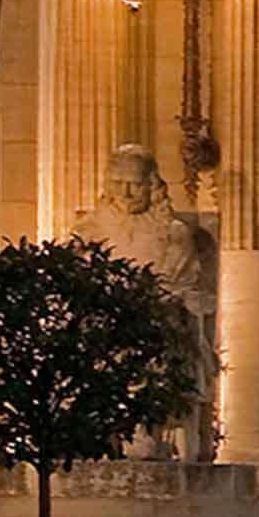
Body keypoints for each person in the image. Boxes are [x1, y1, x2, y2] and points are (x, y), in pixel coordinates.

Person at [75, 142, 219, 459]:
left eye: (135, 184)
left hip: (158, 323)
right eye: (118, 183)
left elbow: (179, 284)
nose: (125, 192)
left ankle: (143, 430)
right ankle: (101, 435)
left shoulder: (173, 232)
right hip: (104, 324)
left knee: (151, 344)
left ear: (151, 184)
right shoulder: (87, 231)